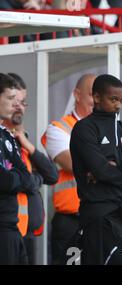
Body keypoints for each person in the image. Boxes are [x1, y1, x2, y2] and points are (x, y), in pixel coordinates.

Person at [70, 74, 122, 265]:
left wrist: (121, 165)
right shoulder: (84, 129)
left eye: (121, 100)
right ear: (97, 98)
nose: (118, 105)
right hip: (99, 213)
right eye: (113, 99)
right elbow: (102, 171)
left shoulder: (119, 127)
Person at [41, 73, 96, 265]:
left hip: (101, 217)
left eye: (100, 95)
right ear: (77, 95)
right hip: (72, 220)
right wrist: (106, 162)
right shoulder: (59, 128)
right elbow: (72, 164)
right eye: (91, 94)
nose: (97, 100)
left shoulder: (111, 127)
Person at [3, 73, 58, 264]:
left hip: (26, 231)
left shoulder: (21, 140)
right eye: (13, 100)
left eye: (23, 102)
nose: (19, 107)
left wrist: (27, 144)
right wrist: (33, 179)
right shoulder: (4, 141)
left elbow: (51, 175)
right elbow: (12, 181)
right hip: (8, 228)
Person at [0, 73, 40, 265]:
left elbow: (27, 177)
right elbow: (5, 180)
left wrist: (15, 178)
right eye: (9, 99)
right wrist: (16, 178)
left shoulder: (6, 136)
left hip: (14, 227)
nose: (15, 105)